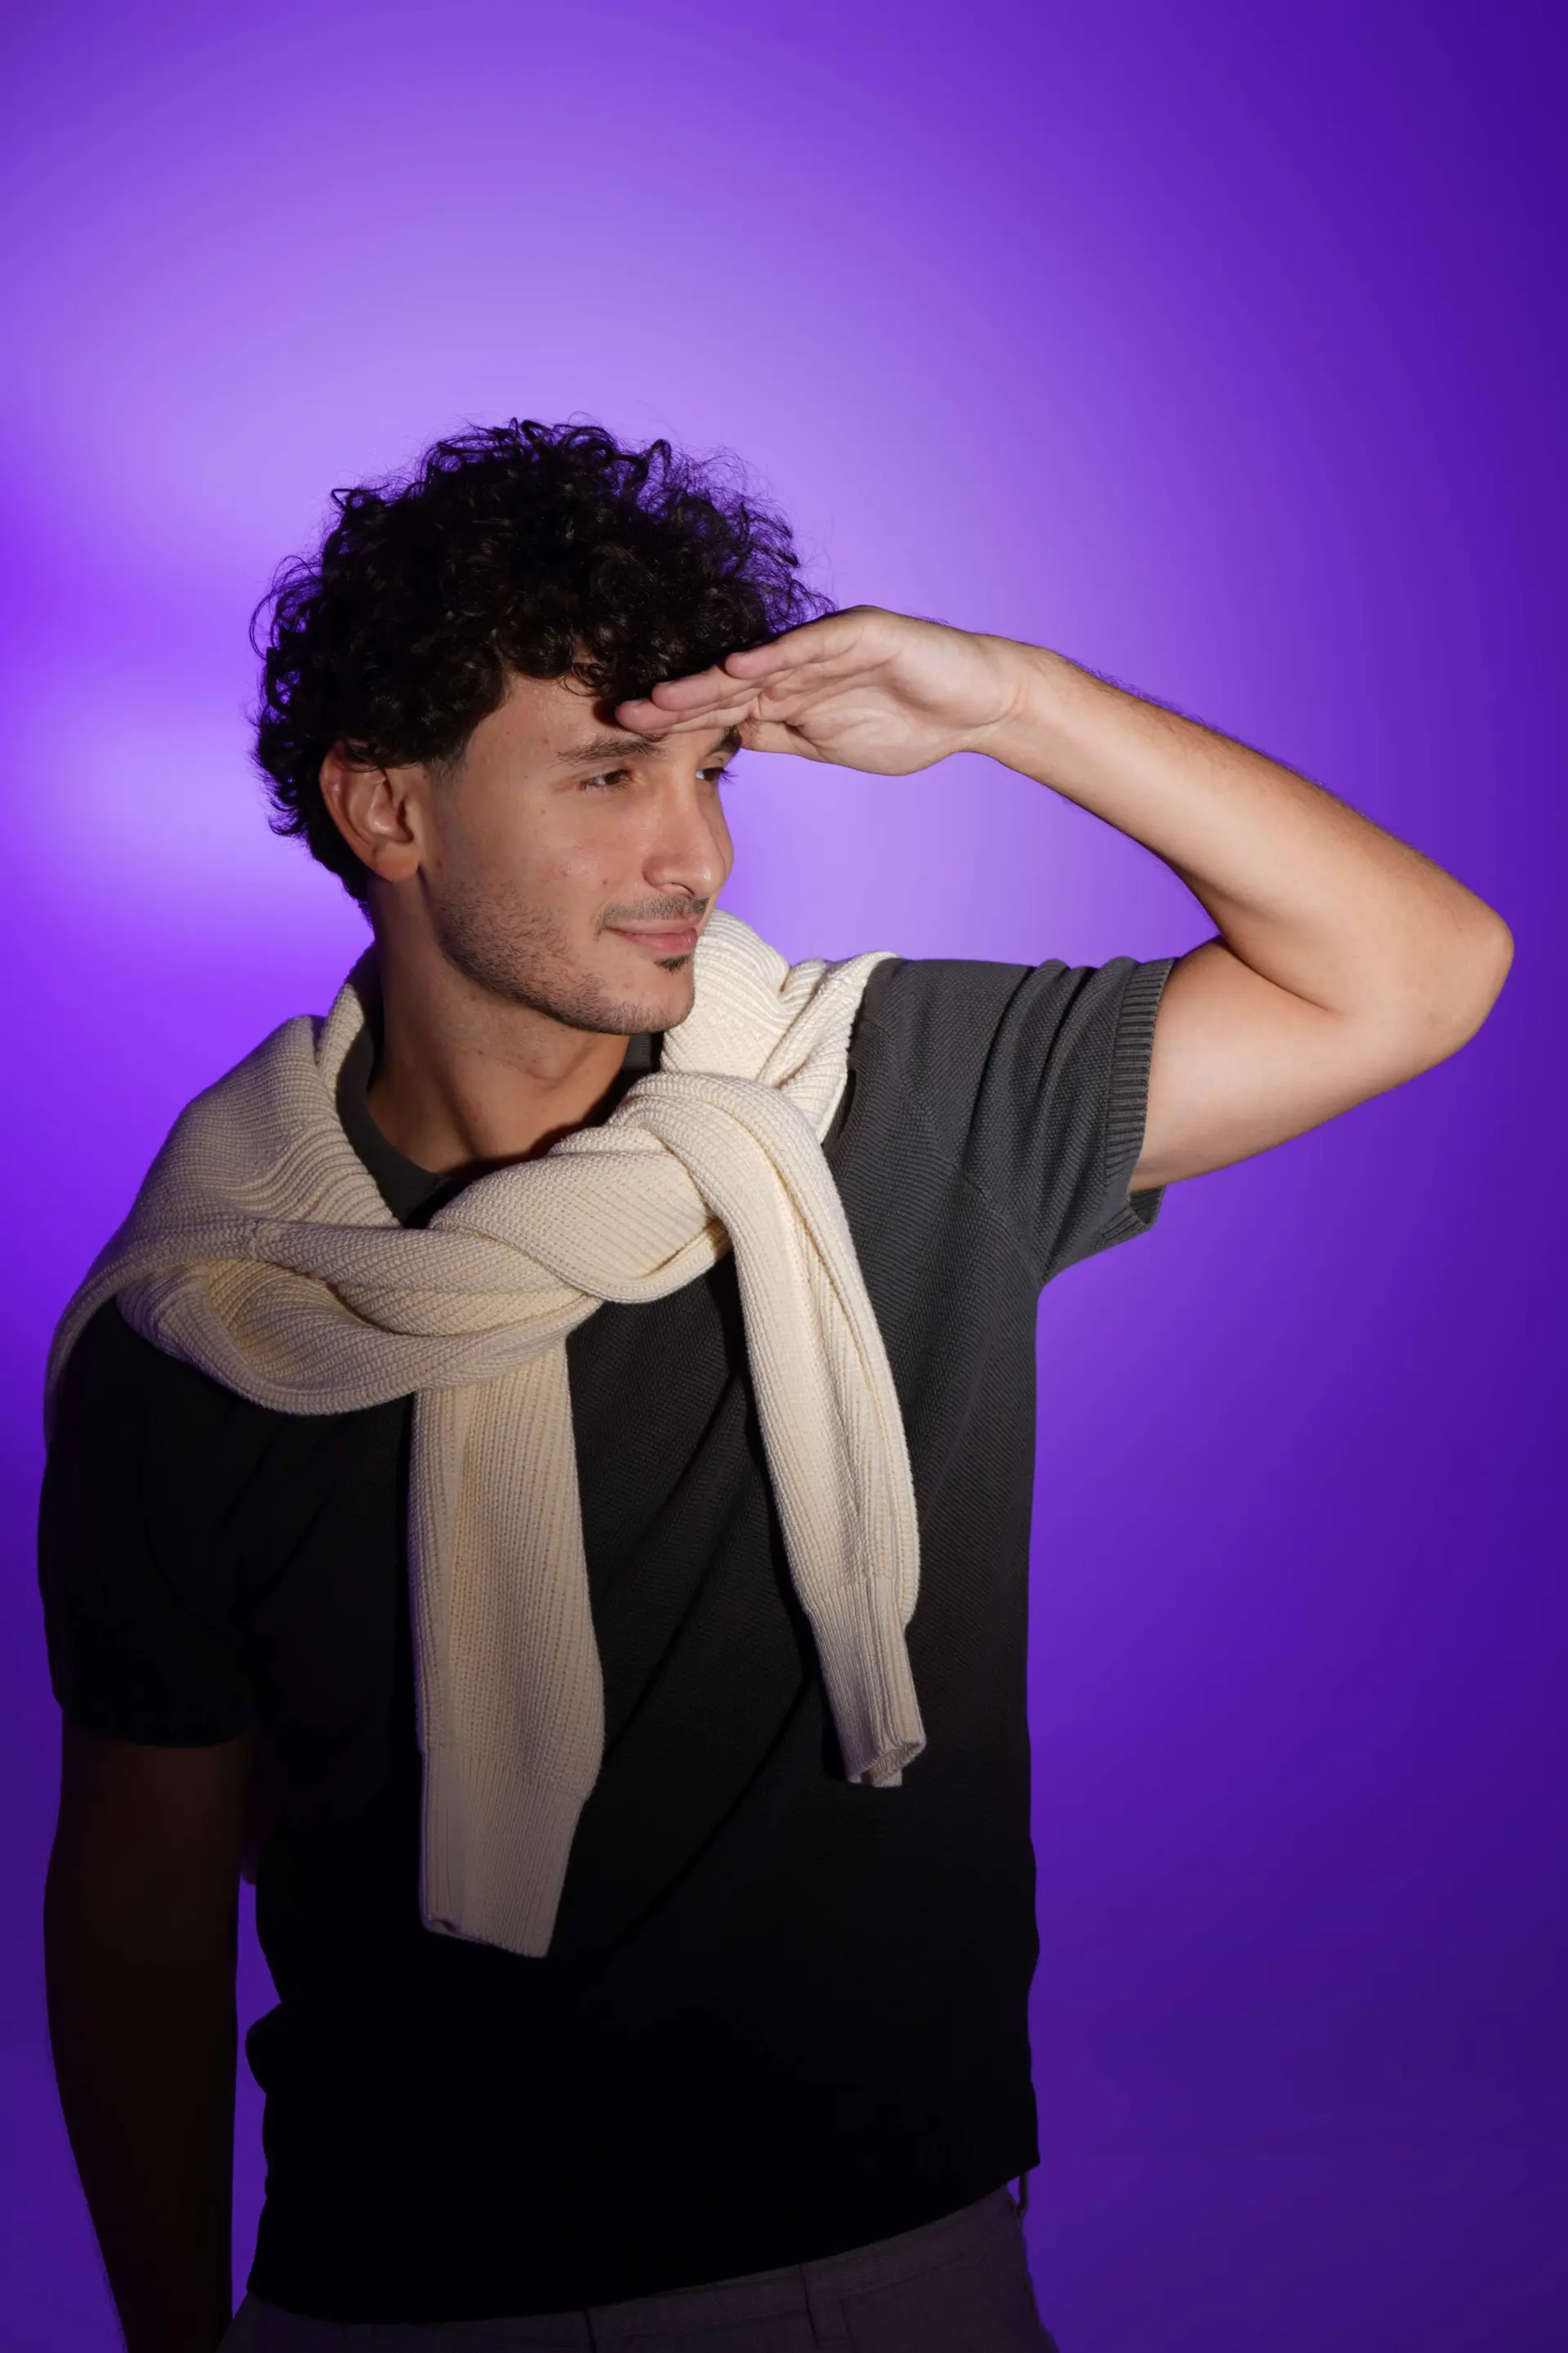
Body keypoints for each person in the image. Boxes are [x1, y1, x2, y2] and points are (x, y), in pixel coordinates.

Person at [38, 421, 1510, 2353]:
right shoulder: (209, 1321)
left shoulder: (890, 1096)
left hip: (878, 2272)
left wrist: (1017, 705)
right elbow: (144, 1909)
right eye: (609, 774)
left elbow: (1416, 970)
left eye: (710, 769)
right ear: (387, 809)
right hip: (388, 2295)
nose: (699, 855)